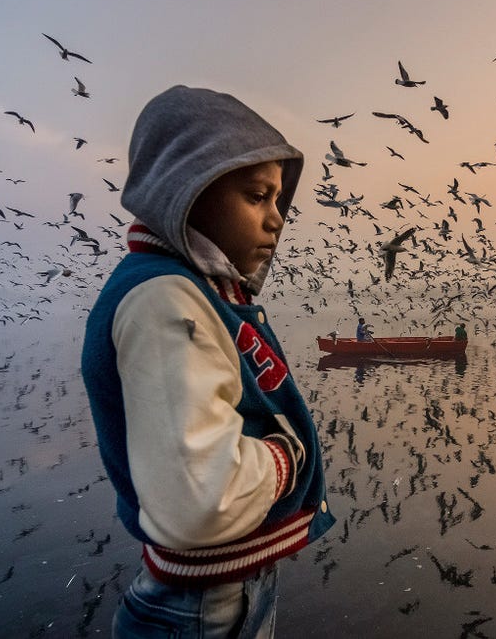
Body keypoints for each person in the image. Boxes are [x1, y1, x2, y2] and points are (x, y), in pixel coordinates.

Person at [81, 86, 334, 638]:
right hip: (203, 610)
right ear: (188, 190)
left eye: (278, 201)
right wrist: (289, 454)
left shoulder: (202, 295)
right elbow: (202, 501)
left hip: (224, 593)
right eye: (256, 195)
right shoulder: (165, 300)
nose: (277, 219)